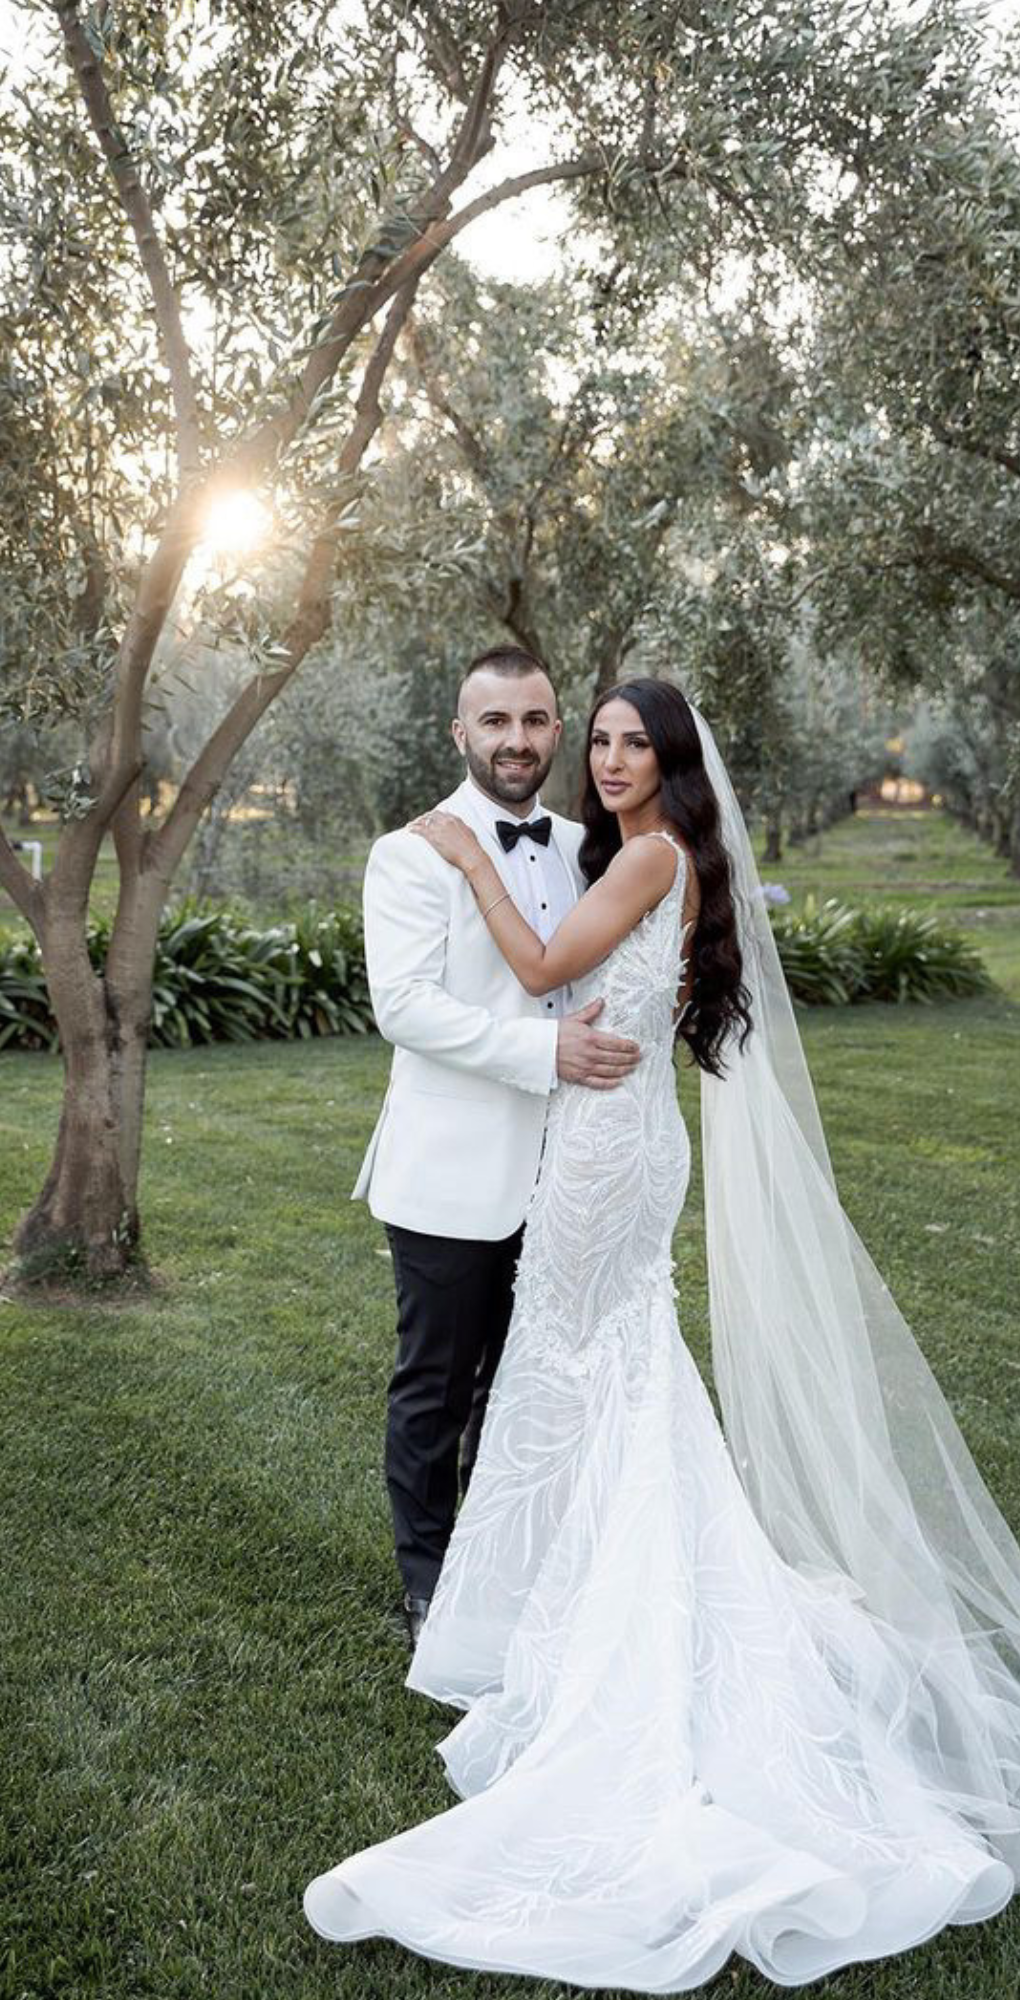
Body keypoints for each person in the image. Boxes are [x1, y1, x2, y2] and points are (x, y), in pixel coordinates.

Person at [307, 679, 1020, 1991]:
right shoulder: (662, 858)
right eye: (594, 740)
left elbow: (549, 969)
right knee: (605, 1379)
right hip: (616, 1141)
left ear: (673, 762)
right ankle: (563, 1603)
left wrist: (459, 861)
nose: (606, 761)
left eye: (629, 743)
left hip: (603, 1155)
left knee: (577, 1370)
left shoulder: (652, 854)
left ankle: (576, 1622)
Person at [353, 643, 641, 1649]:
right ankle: (429, 1579)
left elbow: (576, 970)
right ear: (459, 732)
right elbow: (406, 1007)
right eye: (494, 722)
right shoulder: (410, 851)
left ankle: (513, 1559)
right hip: (451, 1171)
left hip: (571, 1168)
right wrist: (546, 1047)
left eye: (533, 720)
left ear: (556, 729)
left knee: (534, 1377)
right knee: (437, 1382)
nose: (515, 740)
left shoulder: (585, 845)